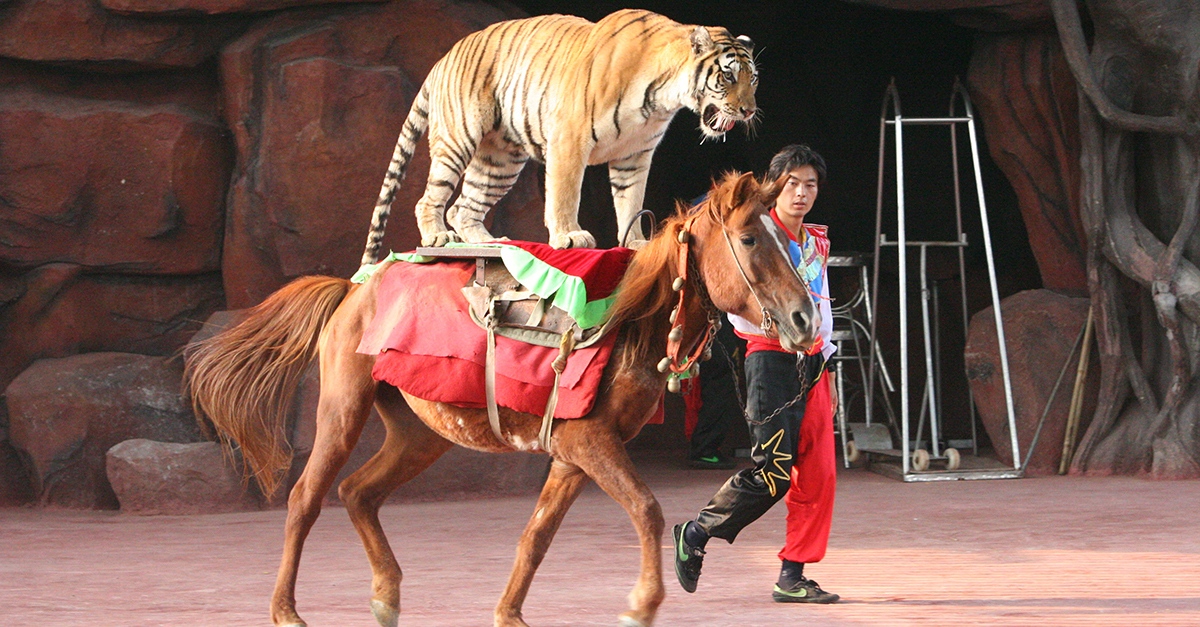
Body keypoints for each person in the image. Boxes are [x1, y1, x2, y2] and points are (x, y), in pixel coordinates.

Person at [672, 144, 840, 603]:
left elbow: (821, 304)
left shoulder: (817, 240)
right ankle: (697, 532)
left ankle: (792, 575)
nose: (802, 193)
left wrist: (829, 365)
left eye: (811, 185)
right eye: (792, 184)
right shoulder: (753, 230)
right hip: (770, 359)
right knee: (774, 472)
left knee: (820, 474)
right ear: (775, 187)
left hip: (817, 361)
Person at [684, 315, 745, 469]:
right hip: (713, 328)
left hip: (719, 326)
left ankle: (707, 448)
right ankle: (704, 449)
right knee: (719, 388)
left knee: (722, 387)